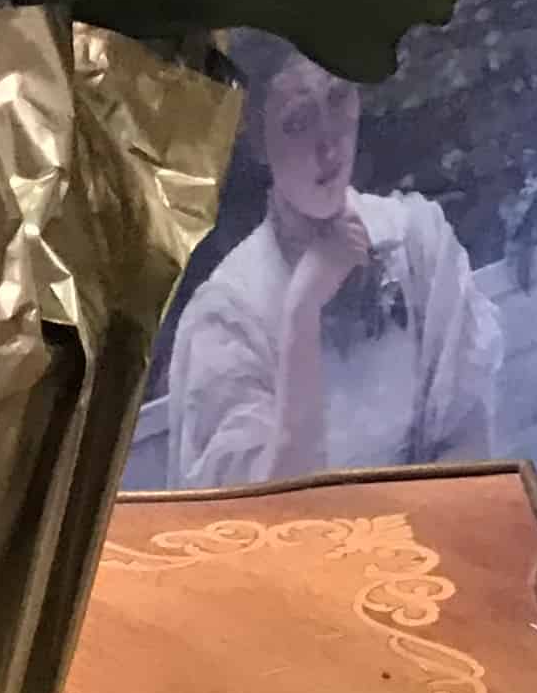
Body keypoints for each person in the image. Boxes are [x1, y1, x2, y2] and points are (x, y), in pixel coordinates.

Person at [168, 44, 502, 486]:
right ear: (258, 143)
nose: (329, 143)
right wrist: (301, 311)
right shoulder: (227, 315)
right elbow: (258, 517)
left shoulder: (417, 241)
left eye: (339, 98)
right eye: (297, 123)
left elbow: (466, 439)